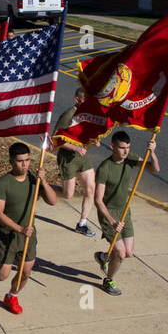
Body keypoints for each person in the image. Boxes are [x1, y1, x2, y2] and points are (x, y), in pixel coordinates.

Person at [0, 142, 57, 315]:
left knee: (25, 273)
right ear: (12, 161)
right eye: (20, 161)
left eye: (27, 160)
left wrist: (45, 182)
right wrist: (19, 229)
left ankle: (11, 296)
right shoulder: (3, 183)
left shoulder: (34, 179)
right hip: (7, 235)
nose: (25, 164)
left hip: (28, 236)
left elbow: (53, 201)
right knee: (2, 275)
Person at [92, 130, 147, 296]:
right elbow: (98, 200)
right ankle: (108, 280)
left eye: (128, 148)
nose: (126, 151)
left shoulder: (129, 159)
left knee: (129, 252)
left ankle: (104, 257)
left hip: (125, 210)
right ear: (113, 146)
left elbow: (154, 168)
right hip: (109, 213)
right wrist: (112, 221)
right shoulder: (105, 168)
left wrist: (153, 151)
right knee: (121, 253)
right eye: (122, 148)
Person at [54, 90, 98, 237]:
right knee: (68, 194)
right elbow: (56, 138)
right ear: (77, 99)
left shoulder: (86, 115)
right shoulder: (68, 115)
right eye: (86, 100)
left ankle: (82, 223)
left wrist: (94, 140)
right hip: (68, 159)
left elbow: (88, 133)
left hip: (82, 158)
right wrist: (75, 147)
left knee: (90, 190)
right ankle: (42, 189)